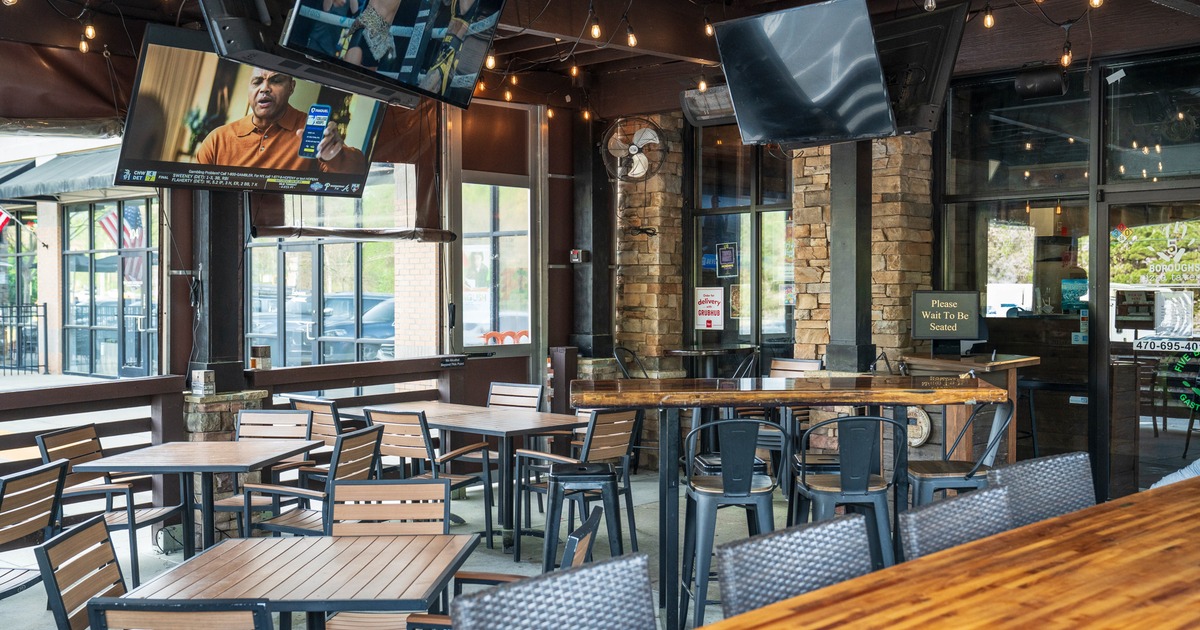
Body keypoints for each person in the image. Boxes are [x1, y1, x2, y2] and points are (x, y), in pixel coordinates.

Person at [195, 68, 365, 174]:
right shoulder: (217, 140)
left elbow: (354, 175)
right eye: (257, 82)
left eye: (275, 81)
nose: (265, 88)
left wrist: (335, 156)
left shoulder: (313, 129)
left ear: (291, 86)